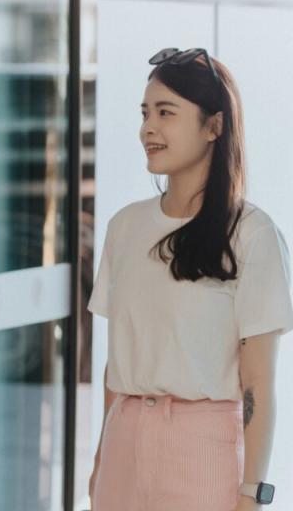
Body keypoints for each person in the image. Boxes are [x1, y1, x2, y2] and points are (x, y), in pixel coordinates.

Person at [88, 48, 293, 510]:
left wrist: (251, 493)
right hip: (123, 445)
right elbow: (115, 364)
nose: (148, 128)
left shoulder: (252, 234)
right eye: (145, 113)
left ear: (214, 126)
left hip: (203, 454)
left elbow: (257, 382)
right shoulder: (125, 227)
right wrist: (101, 455)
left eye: (166, 113)